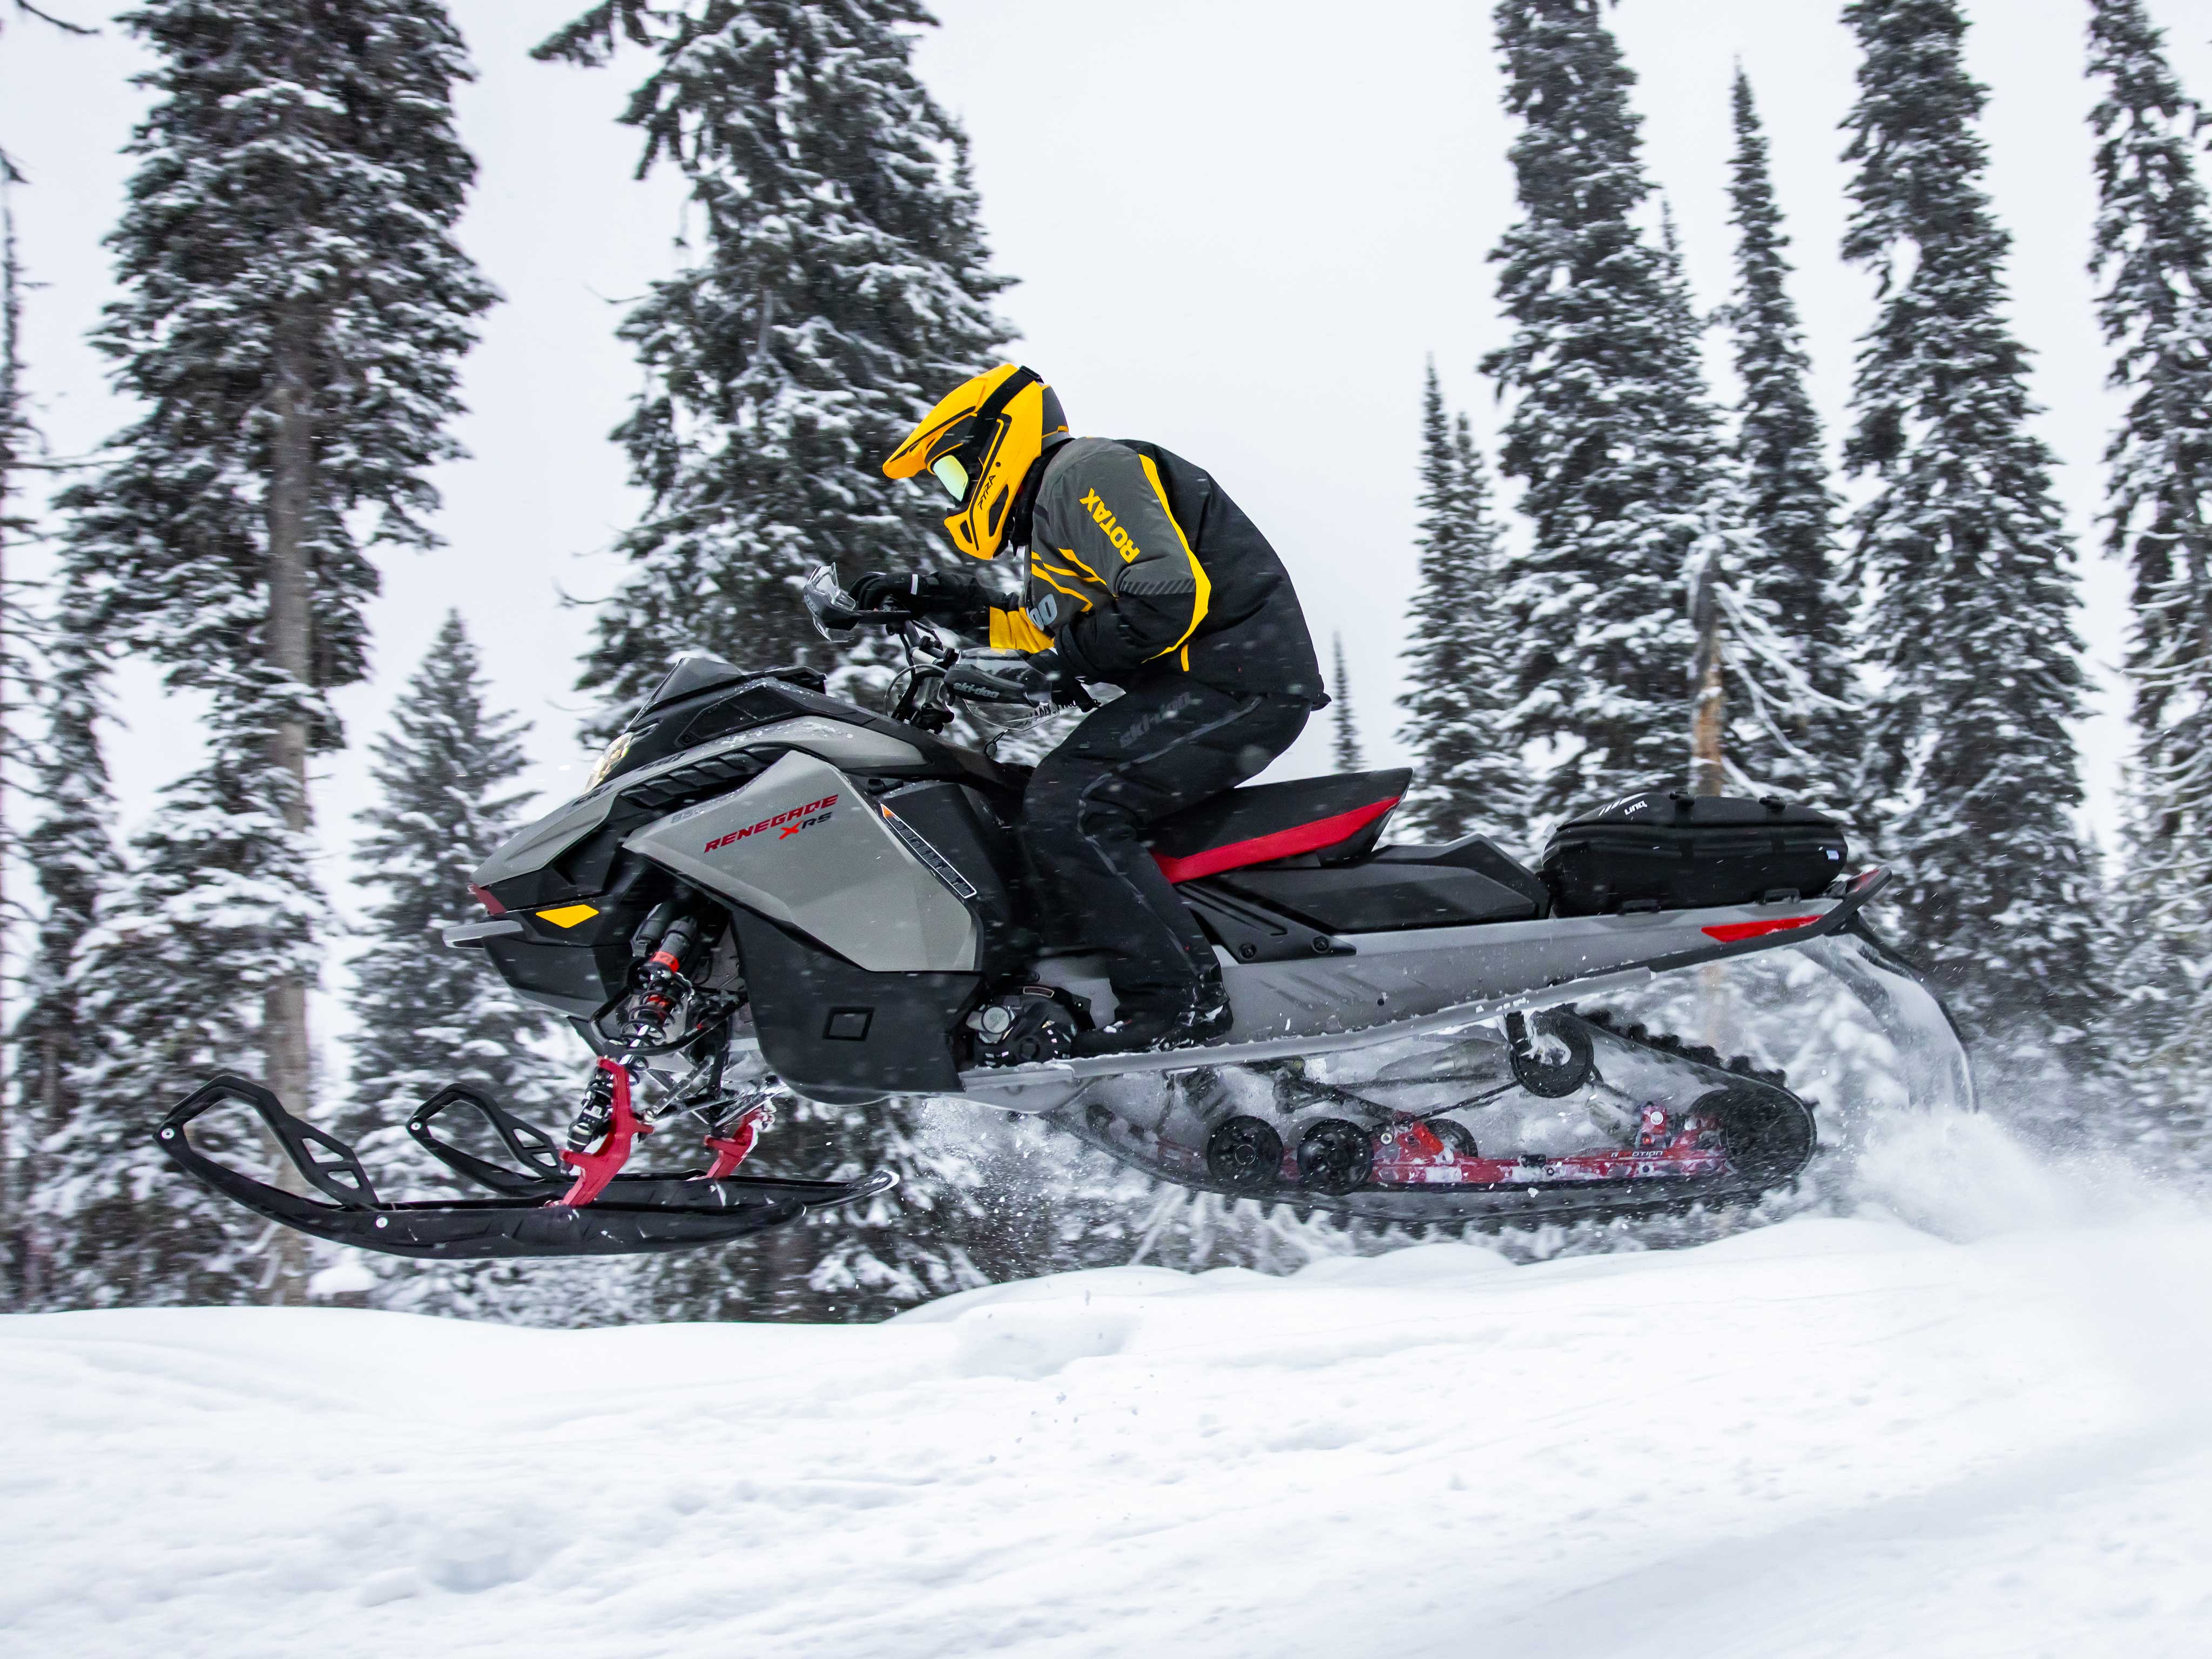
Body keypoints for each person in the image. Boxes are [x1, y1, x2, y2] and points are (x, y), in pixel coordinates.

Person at [862, 363, 1325, 1055]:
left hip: (1234, 680)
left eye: (957, 476)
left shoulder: (1084, 473)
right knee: (1041, 805)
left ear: (997, 442)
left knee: (1070, 804)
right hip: (1212, 683)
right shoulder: (1054, 521)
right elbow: (1038, 627)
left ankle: (1180, 1003)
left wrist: (1064, 663)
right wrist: (935, 597)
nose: (958, 495)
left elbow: (1166, 597)